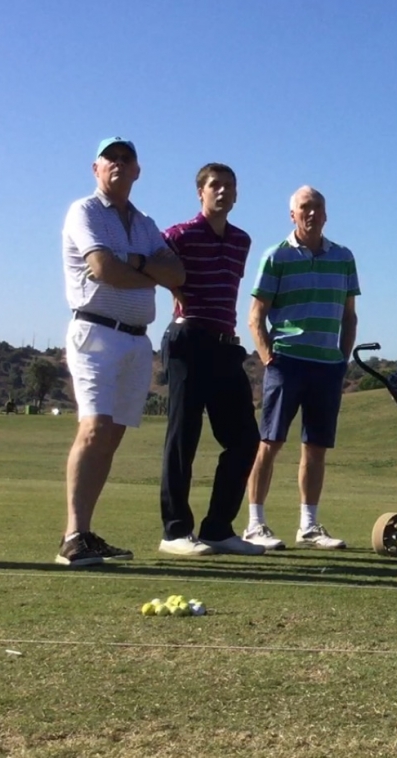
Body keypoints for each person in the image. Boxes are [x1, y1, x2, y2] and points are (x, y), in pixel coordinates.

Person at [57, 137, 185, 566]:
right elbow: (102, 268)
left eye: (125, 159)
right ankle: (73, 536)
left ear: (137, 171)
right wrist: (147, 272)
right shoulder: (85, 211)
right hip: (96, 332)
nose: (118, 163)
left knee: (111, 436)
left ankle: (85, 533)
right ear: (96, 168)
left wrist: (134, 263)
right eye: (109, 158)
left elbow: (176, 273)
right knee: (94, 429)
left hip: (136, 339)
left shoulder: (146, 224)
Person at [241, 186, 360, 551]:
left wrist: (341, 360)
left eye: (318, 207)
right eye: (305, 207)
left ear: (326, 214)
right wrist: (268, 358)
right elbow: (256, 316)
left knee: (316, 447)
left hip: (327, 366)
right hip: (287, 362)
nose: (312, 213)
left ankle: (308, 526)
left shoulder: (343, 257)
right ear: (292, 215)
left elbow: (349, 316)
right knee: (270, 442)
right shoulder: (276, 256)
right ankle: (255, 524)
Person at [157, 163, 265, 557]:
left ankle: (218, 528)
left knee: (244, 439)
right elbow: (152, 263)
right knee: (183, 437)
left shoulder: (241, 240)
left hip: (224, 346)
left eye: (229, 186)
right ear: (200, 192)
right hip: (188, 339)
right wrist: (172, 285)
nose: (222, 191)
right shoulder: (179, 234)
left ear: (236, 195)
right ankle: (175, 532)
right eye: (214, 185)